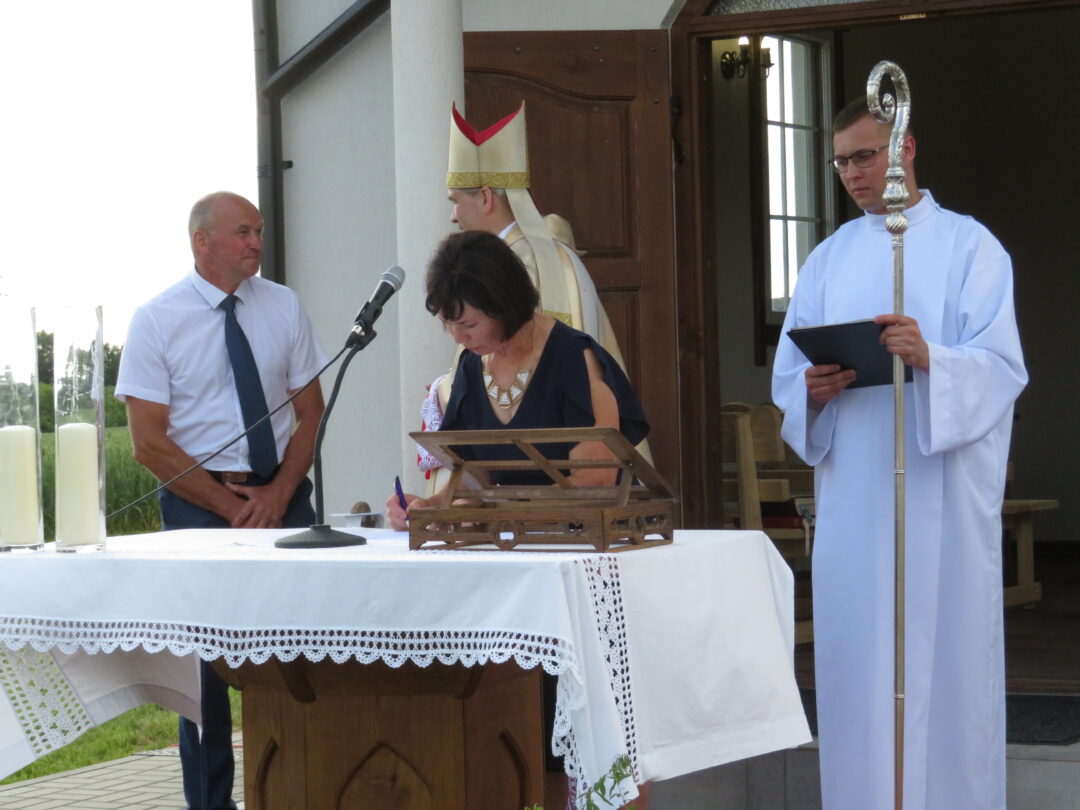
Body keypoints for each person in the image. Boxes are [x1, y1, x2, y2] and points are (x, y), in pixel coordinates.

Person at [771, 99, 1027, 809]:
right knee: (862, 662)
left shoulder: (971, 248)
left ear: (905, 148)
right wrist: (813, 392)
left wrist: (930, 357)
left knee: (946, 662)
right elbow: (789, 378)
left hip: (939, 498)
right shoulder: (827, 259)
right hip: (856, 497)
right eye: (841, 162)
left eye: (864, 155)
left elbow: (1001, 369)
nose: (853, 173)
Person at [386, 230, 651, 810]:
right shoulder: (469, 367)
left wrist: (495, 509)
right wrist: (431, 508)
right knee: (523, 726)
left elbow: (597, 479)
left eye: (468, 323)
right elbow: (469, 479)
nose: (458, 337)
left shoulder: (574, 357)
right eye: (449, 324)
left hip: (579, 574)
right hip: (510, 583)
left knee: (594, 730)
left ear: (504, 303)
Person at [115, 191, 328, 810]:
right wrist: (233, 508)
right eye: (243, 232)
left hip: (282, 498)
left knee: (298, 650)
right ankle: (210, 803)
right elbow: (148, 443)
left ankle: (297, 791)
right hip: (197, 504)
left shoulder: (283, 305)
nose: (257, 242)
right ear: (201, 241)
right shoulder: (156, 320)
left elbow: (310, 412)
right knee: (202, 676)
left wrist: (278, 494)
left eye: (259, 230)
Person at [421, 102, 645, 488]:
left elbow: (540, 372)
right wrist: (429, 507)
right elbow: (475, 472)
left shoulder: (529, 265)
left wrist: (440, 392)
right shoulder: (477, 356)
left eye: (456, 201)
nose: (453, 216)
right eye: (448, 324)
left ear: (486, 197)